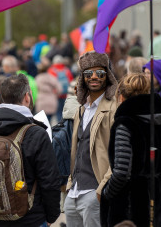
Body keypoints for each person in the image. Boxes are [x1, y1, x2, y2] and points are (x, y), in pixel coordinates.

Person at [0, 74, 61, 226]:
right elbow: (49, 180)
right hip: (31, 218)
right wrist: (51, 216)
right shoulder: (36, 133)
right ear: (27, 97)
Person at [100, 73, 161, 226]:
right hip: (156, 198)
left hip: (129, 204)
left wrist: (107, 193)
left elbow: (122, 171)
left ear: (121, 97)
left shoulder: (125, 124)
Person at [65, 51, 119, 227]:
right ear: (83, 77)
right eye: (88, 73)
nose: (94, 77)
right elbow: (76, 150)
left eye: (100, 73)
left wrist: (102, 189)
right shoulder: (81, 109)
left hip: (95, 192)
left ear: (107, 75)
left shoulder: (114, 108)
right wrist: (70, 184)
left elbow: (118, 152)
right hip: (74, 193)